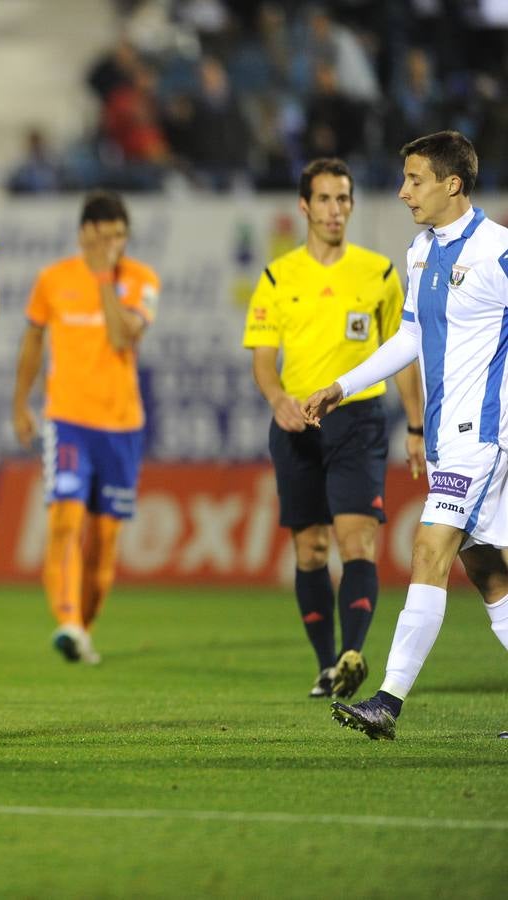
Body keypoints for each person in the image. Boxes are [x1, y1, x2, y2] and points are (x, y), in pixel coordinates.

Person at [304, 131, 508, 739]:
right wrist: (342, 384)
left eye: (415, 180)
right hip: (452, 437)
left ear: (453, 184)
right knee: (491, 575)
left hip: (484, 437)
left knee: (428, 550)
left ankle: (388, 701)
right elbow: (412, 337)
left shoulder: (498, 251)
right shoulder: (422, 250)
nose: (403, 192)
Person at [243, 158, 422, 700]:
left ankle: (353, 653)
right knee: (312, 549)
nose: (334, 209)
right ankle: (327, 667)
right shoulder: (278, 276)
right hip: (297, 421)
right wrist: (277, 401)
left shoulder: (380, 274)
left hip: (358, 421)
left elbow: (404, 356)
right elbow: (262, 359)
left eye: (343, 199)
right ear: (304, 206)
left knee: (357, 538)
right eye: (324, 199)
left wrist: (415, 426)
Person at [12, 191, 159, 666]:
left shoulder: (140, 281)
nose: (110, 246)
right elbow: (33, 342)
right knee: (65, 520)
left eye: (119, 237)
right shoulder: (52, 280)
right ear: (83, 234)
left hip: (120, 427)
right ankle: (69, 620)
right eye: (102, 236)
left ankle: (82, 632)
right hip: (68, 419)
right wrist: (20, 404)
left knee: (104, 545)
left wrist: (102, 282)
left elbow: (121, 335)